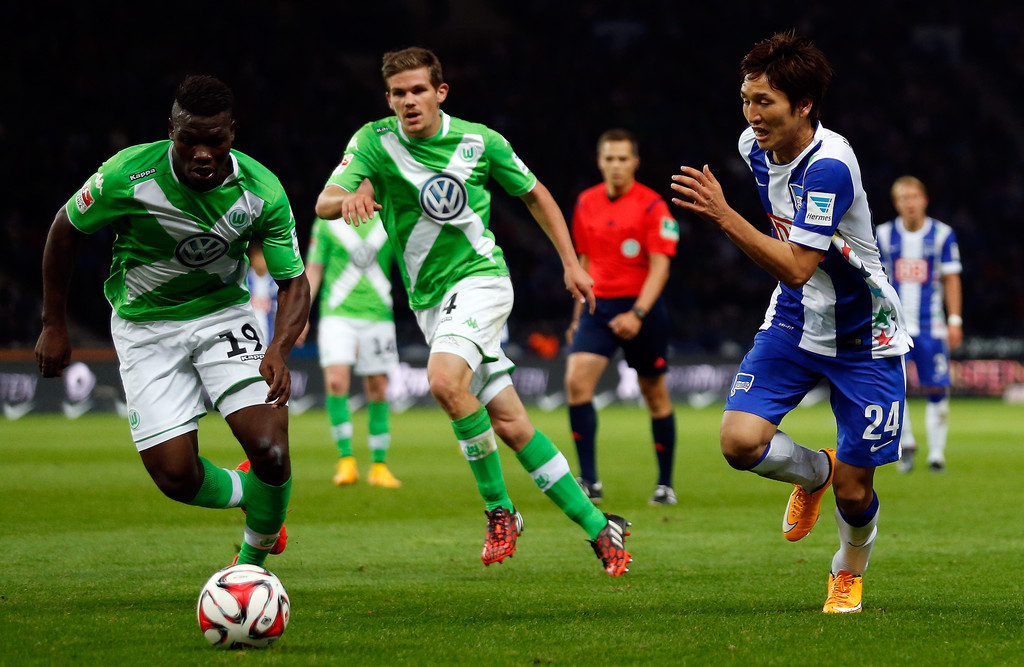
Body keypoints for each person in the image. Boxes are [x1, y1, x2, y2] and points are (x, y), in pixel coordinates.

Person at [315, 46, 631, 576]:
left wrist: (570, 263)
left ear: (440, 92)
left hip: (482, 279)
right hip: (430, 302)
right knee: (510, 423)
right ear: (388, 99)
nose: (409, 101)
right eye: (399, 93)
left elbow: (536, 194)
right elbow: (324, 200)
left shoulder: (480, 141)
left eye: (419, 90)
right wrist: (345, 199)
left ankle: (500, 510)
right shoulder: (372, 141)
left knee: (443, 381)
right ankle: (601, 527)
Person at [670, 31, 911, 613]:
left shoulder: (830, 167)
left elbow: (800, 266)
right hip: (796, 319)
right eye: (746, 100)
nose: (752, 116)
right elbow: (797, 277)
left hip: (865, 335)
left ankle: (847, 570)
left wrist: (725, 215)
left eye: (765, 102)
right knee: (739, 442)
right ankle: (815, 471)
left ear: (803, 106)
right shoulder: (754, 146)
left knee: (856, 492)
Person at [35, 75, 310, 568]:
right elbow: (64, 229)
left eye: (215, 140)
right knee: (175, 477)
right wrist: (53, 322)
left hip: (223, 316)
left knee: (271, 448)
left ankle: (249, 568)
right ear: (171, 131)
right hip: (146, 328)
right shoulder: (127, 175)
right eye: (189, 140)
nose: (202, 153)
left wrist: (279, 348)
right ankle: (251, 491)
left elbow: (293, 281)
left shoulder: (262, 191)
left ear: (232, 133)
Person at [565, 129, 679, 506]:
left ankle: (665, 484)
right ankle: (589, 481)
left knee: (654, 394)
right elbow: (584, 262)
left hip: (642, 307)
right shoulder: (586, 202)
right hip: (597, 306)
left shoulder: (652, 206)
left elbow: (660, 267)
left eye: (623, 158)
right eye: (609, 158)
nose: (616, 165)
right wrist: (577, 315)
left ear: (635, 162)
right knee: (576, 382)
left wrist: (638, 313)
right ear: (600, 162)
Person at [303, 179, 402, 489]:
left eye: (367, 178)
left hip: (378, 313)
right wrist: (301, 313)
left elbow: (409, 263)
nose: (361, 183)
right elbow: (314, 269)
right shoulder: (327, 221)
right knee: (336, 382)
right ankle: (346, 459)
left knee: (378, 388)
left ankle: (379, 465)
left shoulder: (388, 218)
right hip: (337, 313)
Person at [876, 176, 963, 473]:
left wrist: (954, 320)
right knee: (893, 388)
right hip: (894, 327)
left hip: (931, 327)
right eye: (904, 198)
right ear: (896, 203)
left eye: (914, 197)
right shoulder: (883, 235)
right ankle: (906, 442)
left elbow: (951, 278)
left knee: (937, 386)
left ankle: (936, 455)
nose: (910, 203)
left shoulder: (942, 234)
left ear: (924, 200)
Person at [247, 244, 279, 341]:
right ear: (252, 259)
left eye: (263, 257)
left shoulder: (275, 282)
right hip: (248, 333)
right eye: (258, 257)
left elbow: (278, 310)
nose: (261, 261)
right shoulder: (245, 279)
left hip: (268, 334)